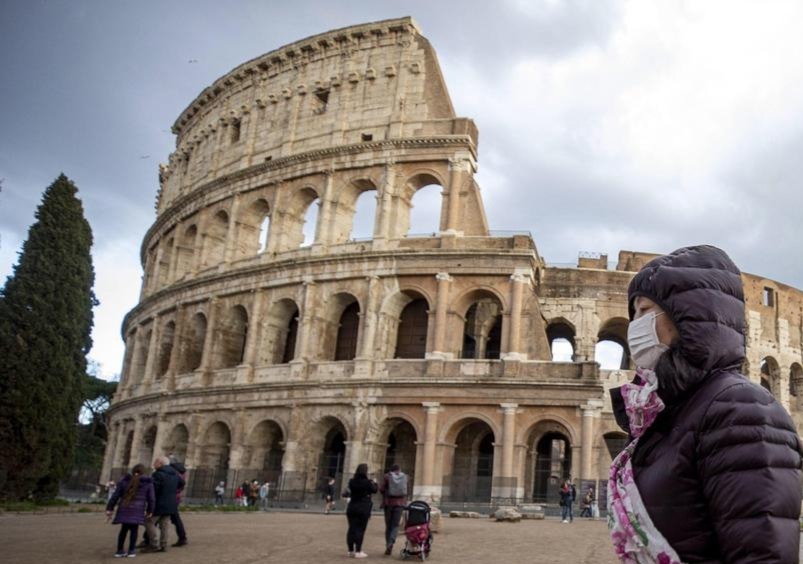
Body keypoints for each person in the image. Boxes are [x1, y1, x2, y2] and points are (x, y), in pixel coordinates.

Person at [609, 245, 802, 563]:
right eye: (633, 314)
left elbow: (762, 552)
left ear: (687, 315)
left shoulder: (741, 410)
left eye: (644, 311)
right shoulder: (668, 412)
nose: (635, 326)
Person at [105, 463, 154, 558]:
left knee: (123, 529)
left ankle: (119, 550)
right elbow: (151, 498)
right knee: (134, 530)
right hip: (138, 509)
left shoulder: (124, 482)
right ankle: (131, 550)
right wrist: (150, 510)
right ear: (144, 472)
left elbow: (115, 496)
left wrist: (109, 508)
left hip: (124, 507)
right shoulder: (147, 483)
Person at [142, 456, 185, 553]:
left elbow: (154, 490)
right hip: (171, 503)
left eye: (155, 463)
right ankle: (164, 545)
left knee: (148, 521)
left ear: (160, 463)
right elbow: (182, 483)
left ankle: (154, 544)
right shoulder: (175, 473)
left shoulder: (158, 474)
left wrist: (149, 502)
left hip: (159, 502)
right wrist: (173, 490)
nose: (153, 464)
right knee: (164, 524)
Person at [345, 463, 378, 558]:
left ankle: (350, 550)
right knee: (360, 529)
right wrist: (375, 482)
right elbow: (375, 490)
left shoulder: (352, 481)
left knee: (351, 529)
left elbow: (350, 490)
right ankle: (358, 551)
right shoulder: (367, 482)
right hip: (363, 507)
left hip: (352, 506)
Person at [379, 464, 408, 555]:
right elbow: (407, 490)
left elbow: (381, 489)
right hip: (399, 504)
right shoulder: (405, 477)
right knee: (395, 525)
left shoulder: (387, 476)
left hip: (388, 504)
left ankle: (388, 544)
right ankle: (391, 542)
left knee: (388, 526)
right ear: (399, 469)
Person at [169, 456, 188, 547]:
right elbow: (182, 484)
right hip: (175, 497)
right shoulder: (182, 472)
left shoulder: (172, 472)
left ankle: (147, 539)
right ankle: (182, 537)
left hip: (167, 497)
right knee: (176, 519)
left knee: (154, 519)